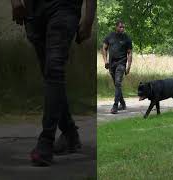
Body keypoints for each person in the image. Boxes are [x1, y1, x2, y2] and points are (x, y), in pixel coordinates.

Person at [11, 0, 95, 166]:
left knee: (54, 70)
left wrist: (89, 18)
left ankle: (45, 142)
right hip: (34, 10)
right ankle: (70, 134)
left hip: (65, 7)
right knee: (50, 75)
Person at [102, 20, 133, 114]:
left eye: (123, 27)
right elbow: (104, 48)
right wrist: (106, 61)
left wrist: (128, 67)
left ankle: (115, 106)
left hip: (121, 63)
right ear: (116, 27)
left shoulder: (127, 38)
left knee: (118, 82)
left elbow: (130, 53)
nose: (122, 29)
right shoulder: (110, 36)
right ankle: (123, 104)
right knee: (117, 84)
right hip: (111, 64)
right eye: (120, 27)